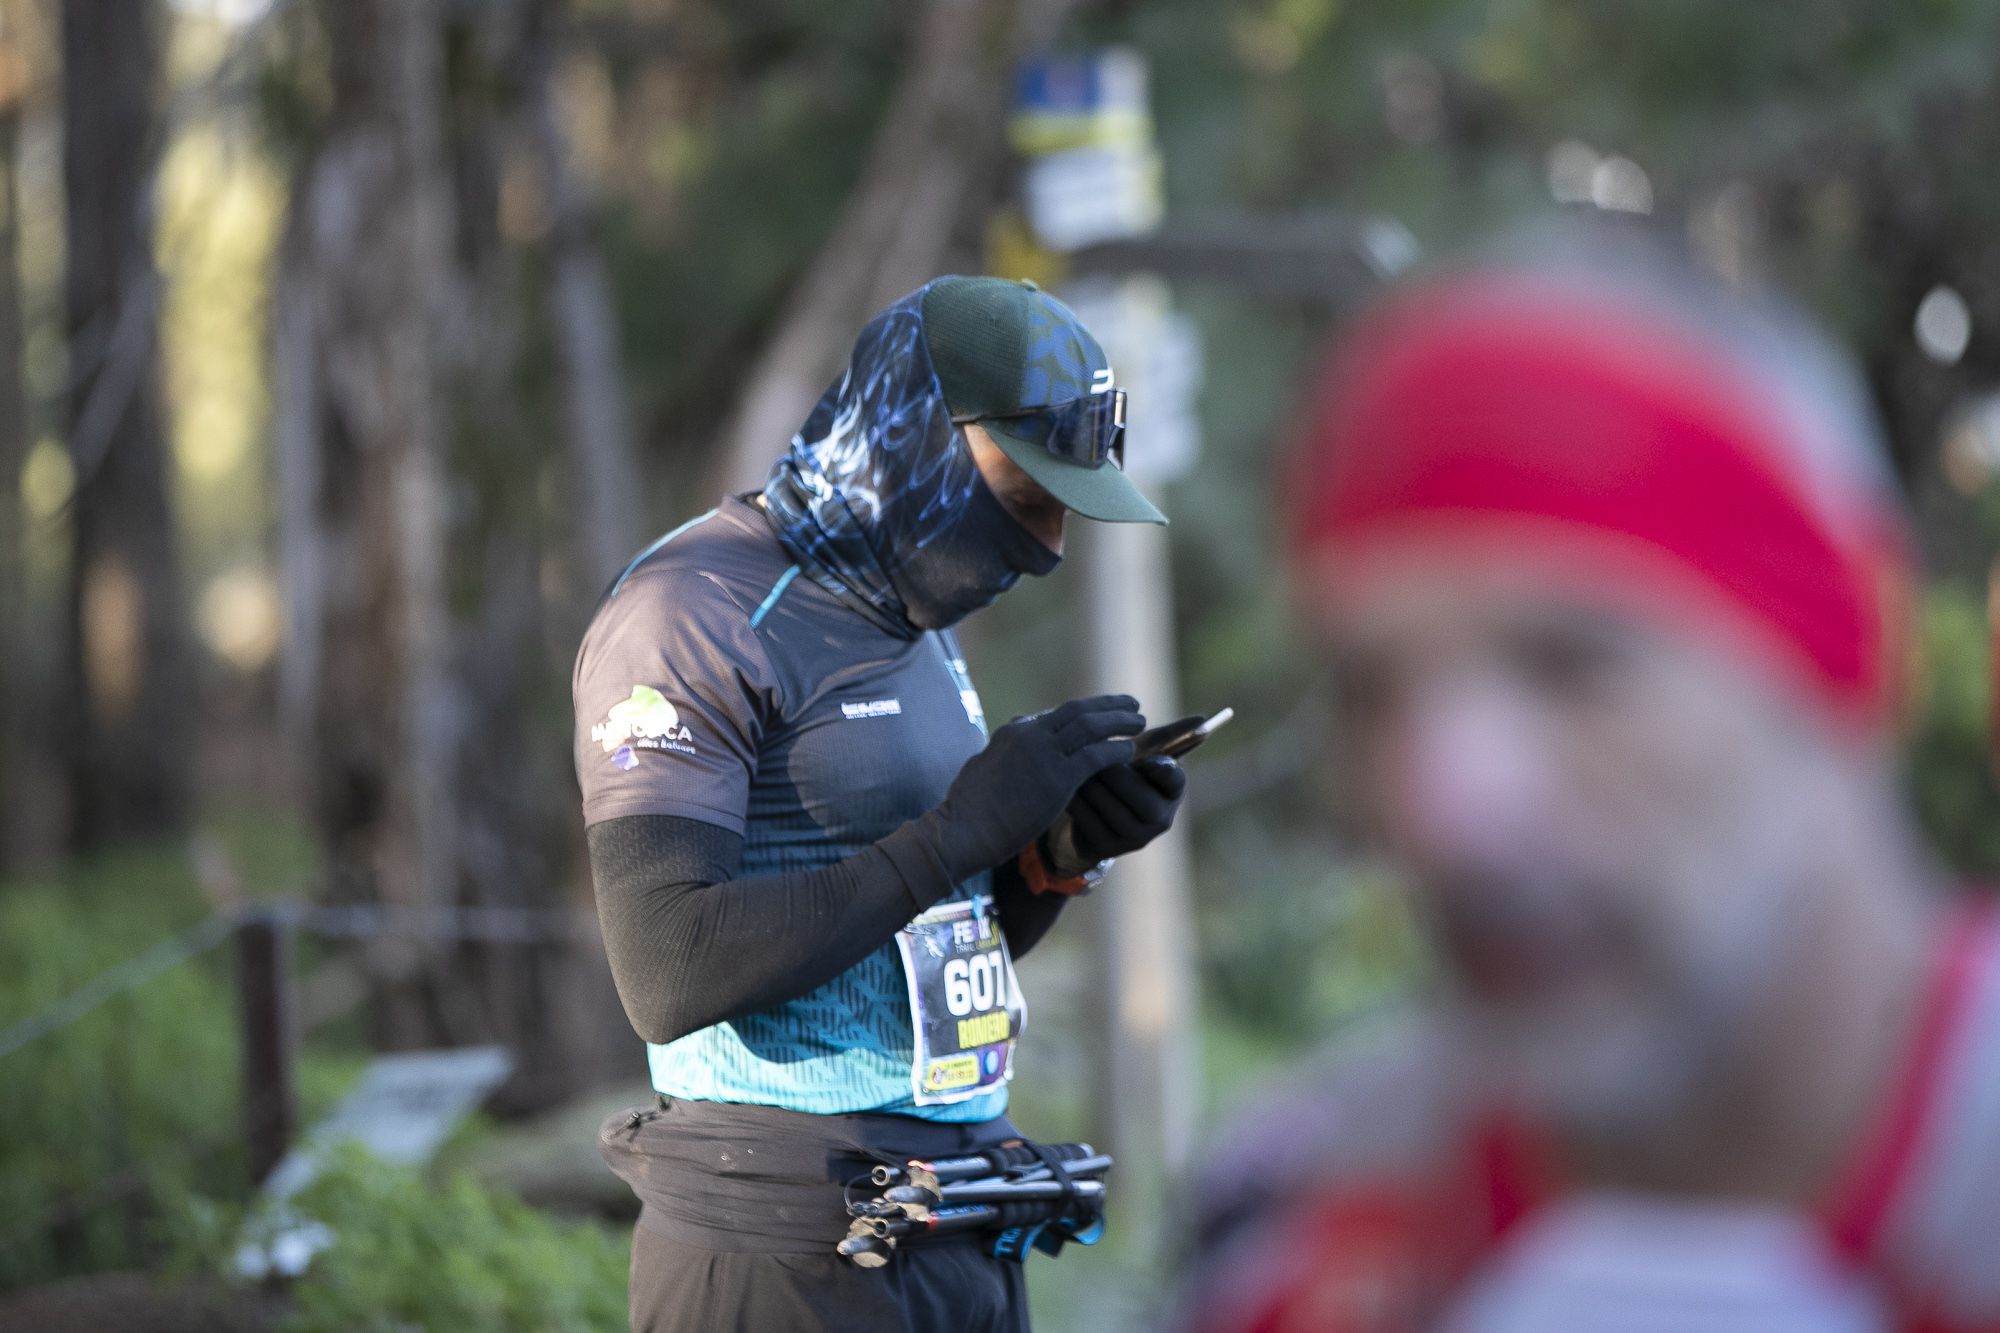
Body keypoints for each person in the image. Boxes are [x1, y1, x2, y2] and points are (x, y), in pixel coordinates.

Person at [1176, 230, 2000, 1332]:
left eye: (1572, 667)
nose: (1446, 812)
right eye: (1369, 690)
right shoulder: (1290, 1235)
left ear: (1844, 659)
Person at [575, 276, 1188, 1333]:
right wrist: (958, 828)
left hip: (958, 1210)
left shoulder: (908, 617)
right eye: (1027, 494)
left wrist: (1051, 856)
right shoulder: (692, 611)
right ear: (914, 434)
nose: (1045, 547)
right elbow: (666, 967)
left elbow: (913, 937)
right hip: (779, 1234)